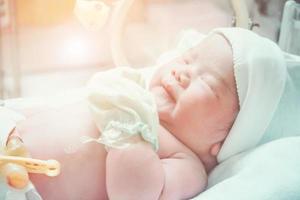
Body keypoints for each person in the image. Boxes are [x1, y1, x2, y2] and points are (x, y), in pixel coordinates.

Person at [1, 27, 299, 200]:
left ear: (226, 138)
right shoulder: (133, 94)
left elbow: (132, 192)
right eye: (186, 59)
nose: (182, 73)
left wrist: (129, 127)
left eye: (206, 83)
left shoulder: (187, 165)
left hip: (21, 190)